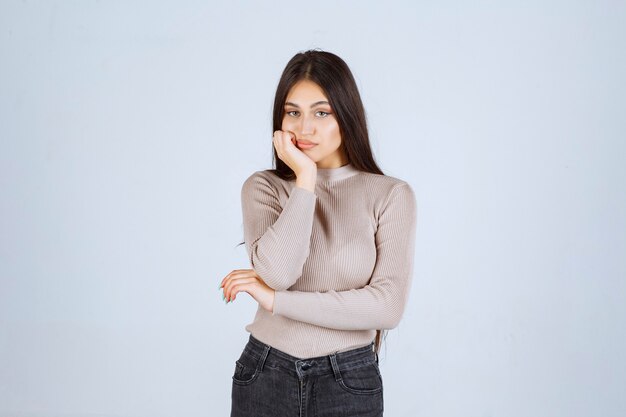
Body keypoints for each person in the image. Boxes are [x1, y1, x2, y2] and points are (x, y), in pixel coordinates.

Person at [219, 49, 417, 417]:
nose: (304, 127)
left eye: (321, 112)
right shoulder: (264, 188)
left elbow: (387, 307)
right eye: (293, 112)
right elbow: (279, 273)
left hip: (348, 378)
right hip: (265, 372)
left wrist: (277, 302)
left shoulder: (390, 195)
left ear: (346, 115)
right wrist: (305, 180)